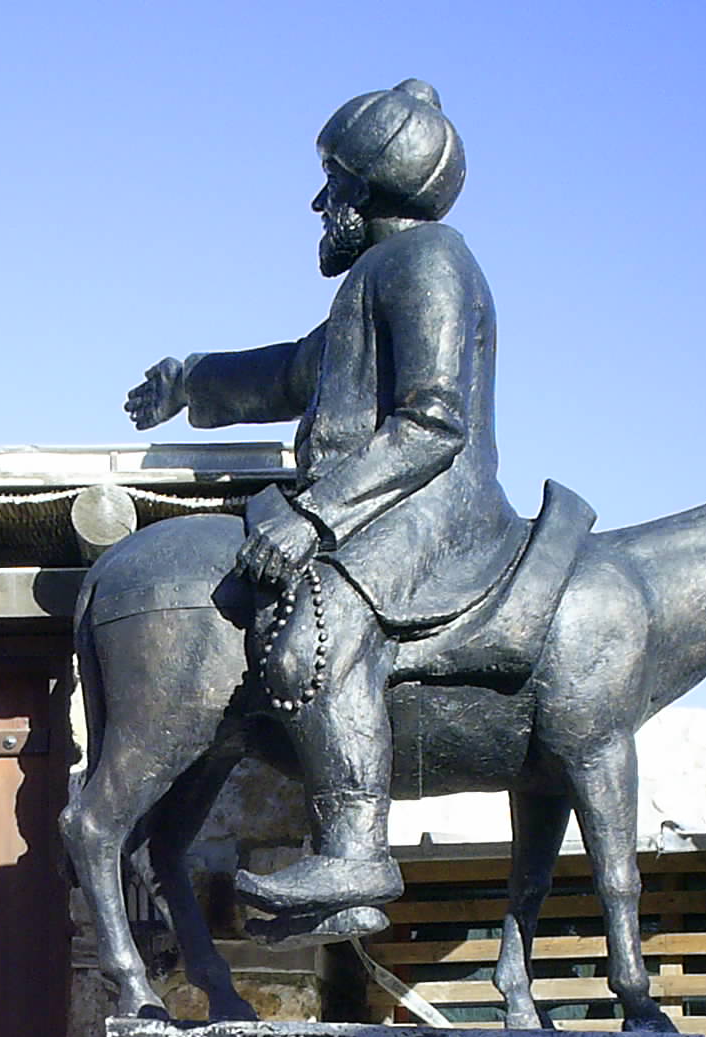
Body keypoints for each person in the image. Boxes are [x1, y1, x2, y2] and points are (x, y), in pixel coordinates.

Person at [125, 78, 525, 931]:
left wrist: (315, 518)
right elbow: (291, 371)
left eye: (334, 183)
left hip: (427, 502)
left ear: (372, 187)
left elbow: (432, 421)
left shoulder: (431, 261)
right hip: (378, 502)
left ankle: (353, 852)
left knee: (324, 615)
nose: (321, 203)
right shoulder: (375, 276)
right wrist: (189, 380)